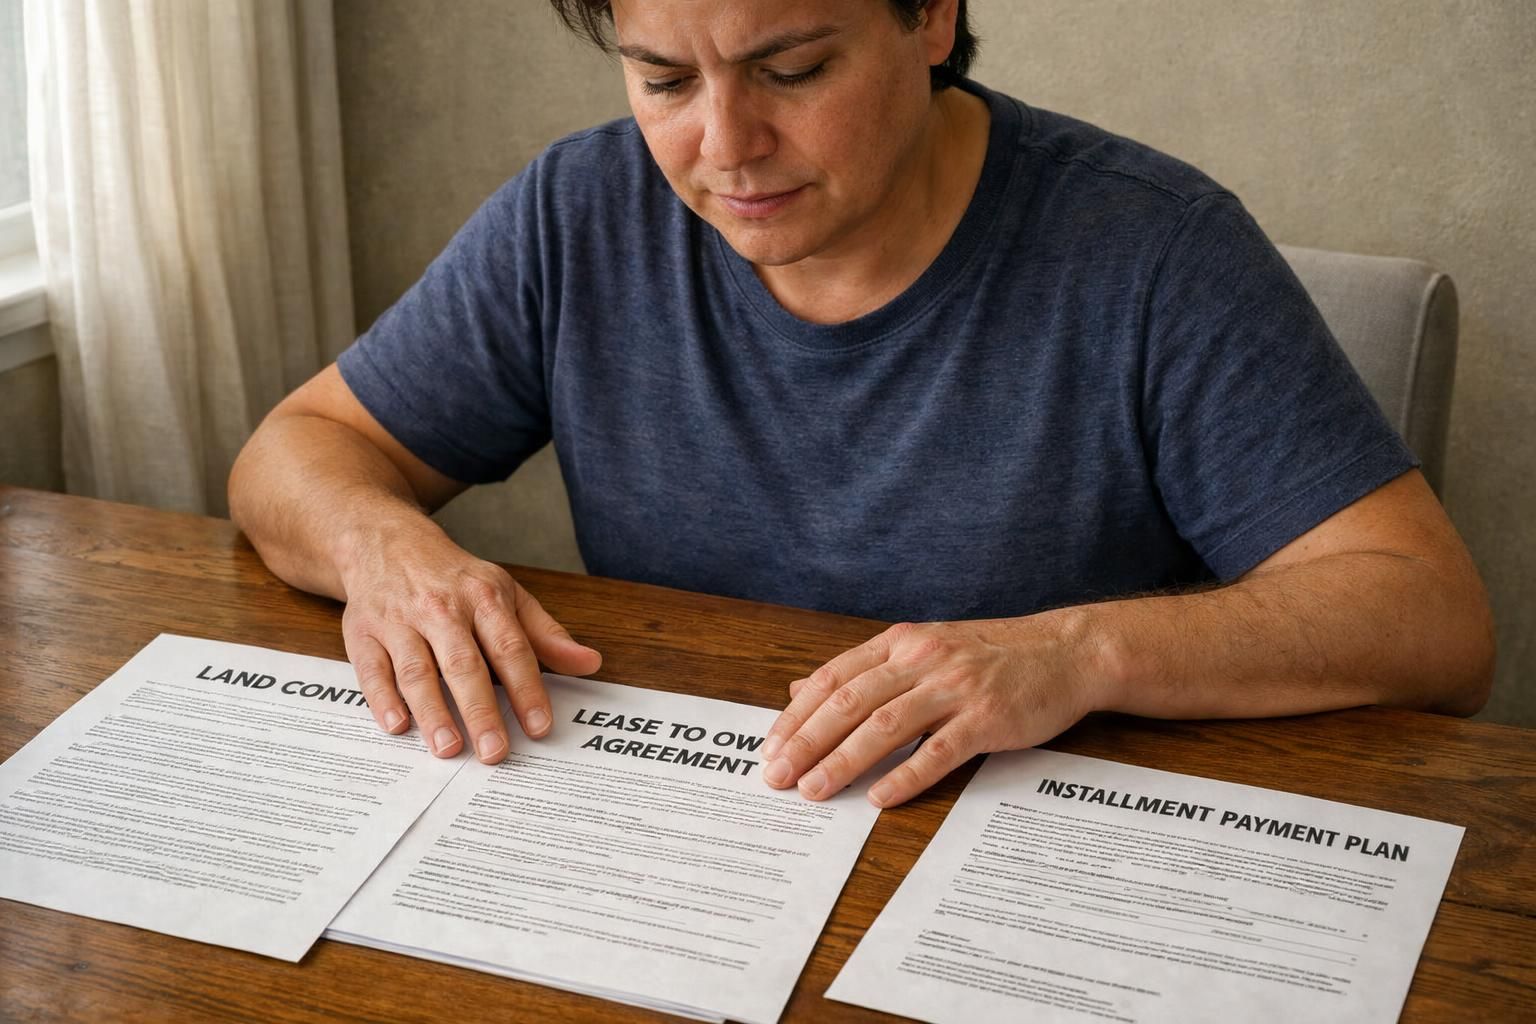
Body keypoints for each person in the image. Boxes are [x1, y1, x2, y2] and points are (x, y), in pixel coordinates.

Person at [228, 0, 1494, 810]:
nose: (726, 145)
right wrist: (383, 545)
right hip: (688, 841)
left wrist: (1076, 650)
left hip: (1035, 865)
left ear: (931, 16)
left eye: (791, 68)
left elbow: (1429, 618)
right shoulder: (579, 216)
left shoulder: (1153, 253)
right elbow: (302, 448)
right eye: (664, 80)